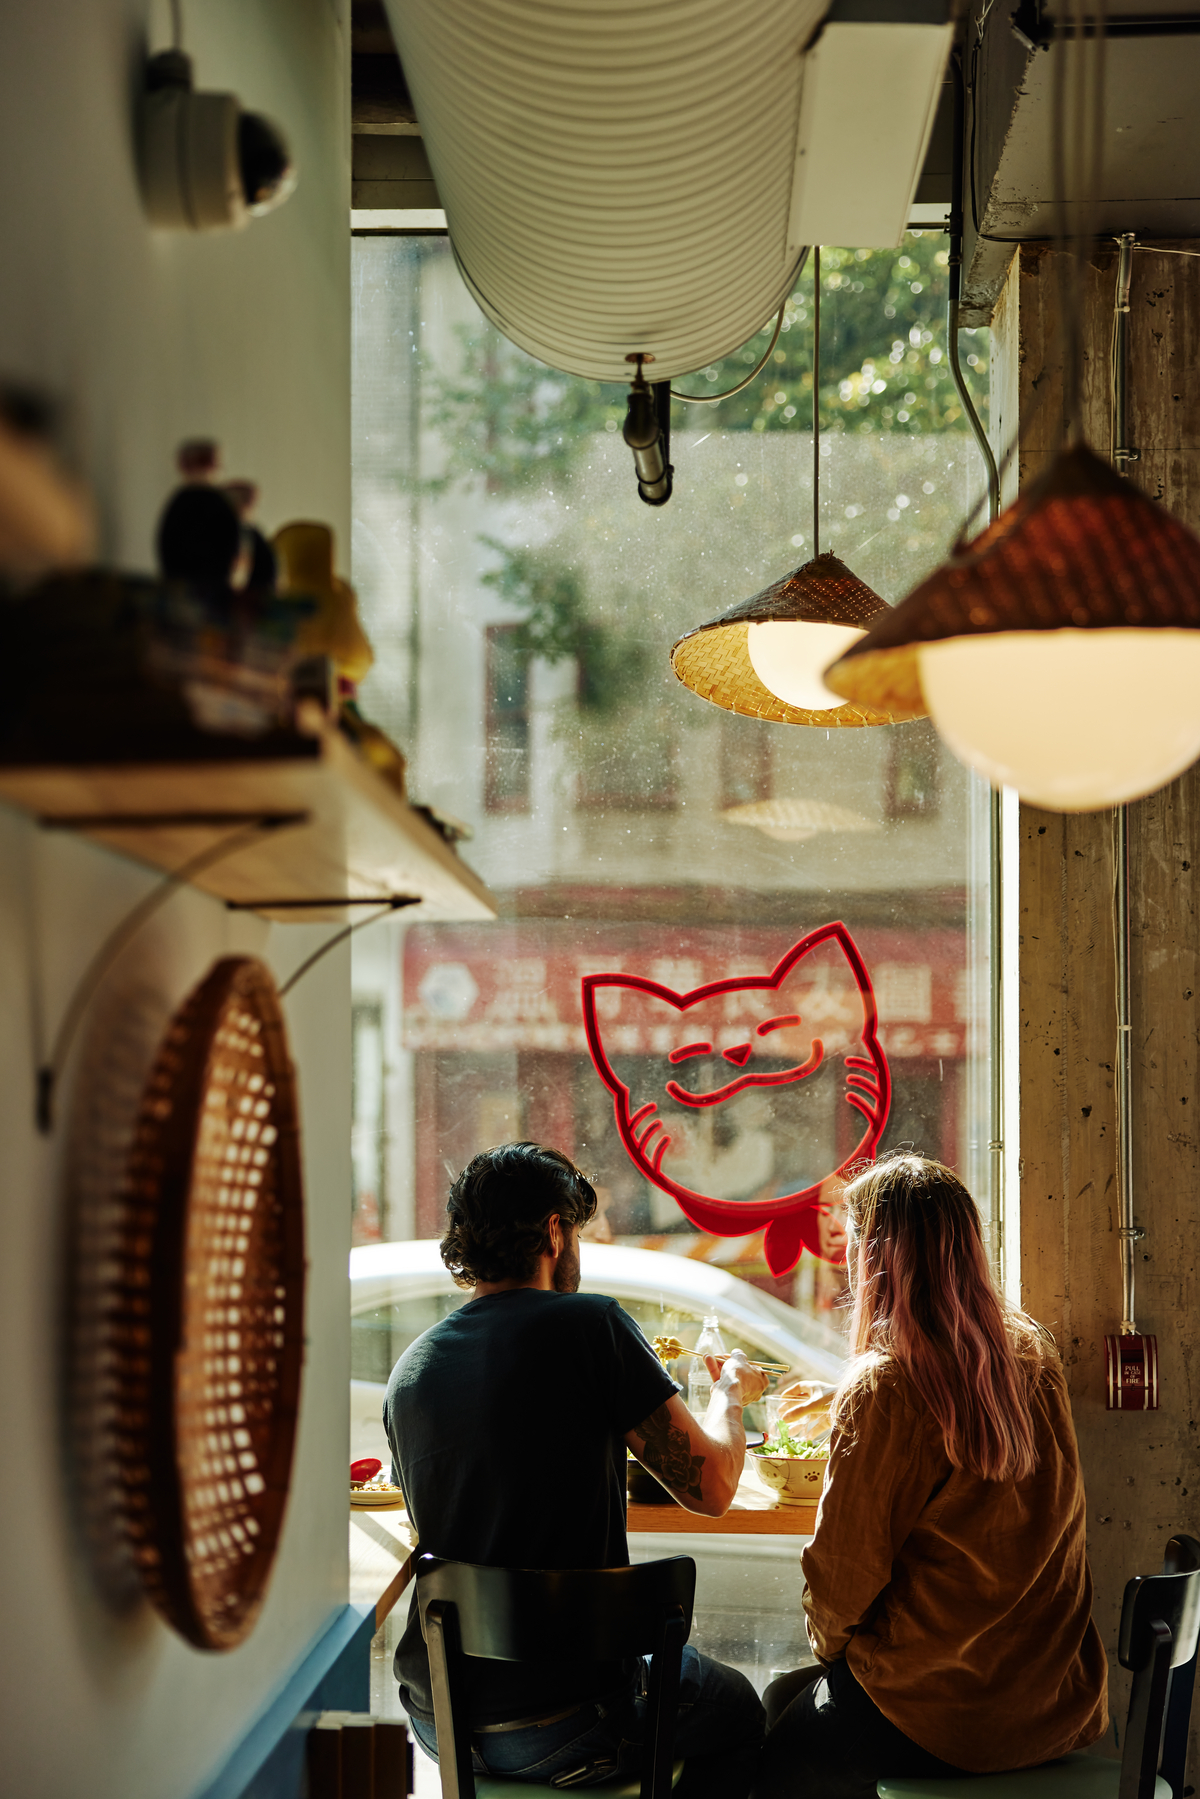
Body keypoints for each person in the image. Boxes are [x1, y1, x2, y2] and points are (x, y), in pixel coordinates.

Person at [384, 1141, 769, 1798]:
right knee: (741, 1708)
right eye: (579, 1232)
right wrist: (729, 1392)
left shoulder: (410, 1371)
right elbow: (713, 1488)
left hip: (439, 1717)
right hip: (568, 1723)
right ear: (555, 1230)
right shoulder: (591, 1326)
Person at [755, 1154, 1109, 1799]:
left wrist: (836, 1652)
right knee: (789, 1699)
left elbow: (842, 1578)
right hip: (1052, 1702)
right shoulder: (1031, 1352)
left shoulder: (885, 1385)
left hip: (942, 1712)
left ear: (875, 1259)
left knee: (763, 1752)